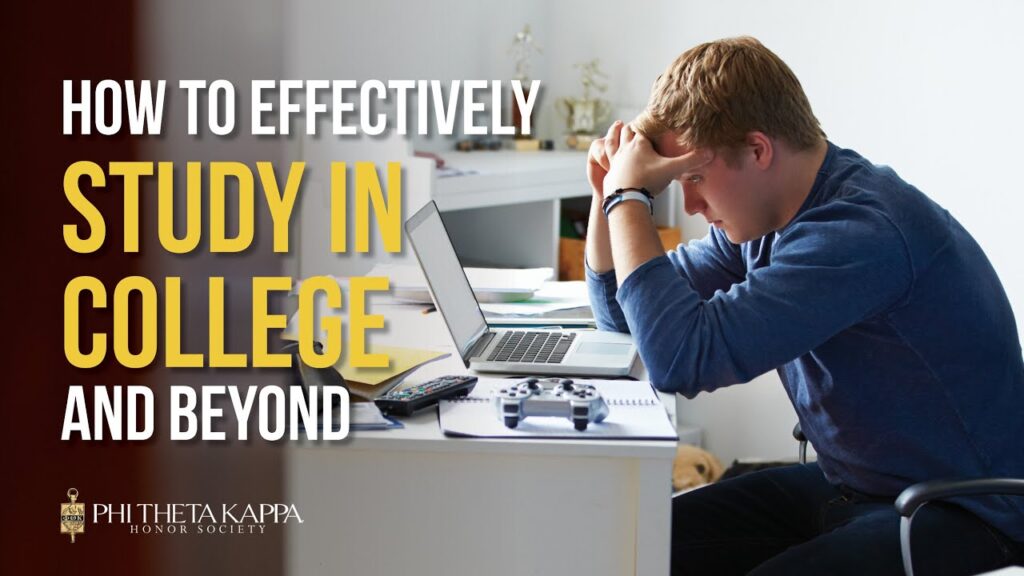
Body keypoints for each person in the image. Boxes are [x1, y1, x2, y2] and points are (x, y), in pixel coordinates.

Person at [584, 36, 1024, 575]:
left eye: (693, 178)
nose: (692, 205)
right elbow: (619, 314)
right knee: (626, 545)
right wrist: (608, 192)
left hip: (961, 512)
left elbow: (681, 360)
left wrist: (630, 200)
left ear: (758, 150)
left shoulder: (859, 232)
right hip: (854, 487)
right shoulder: (763, 218)